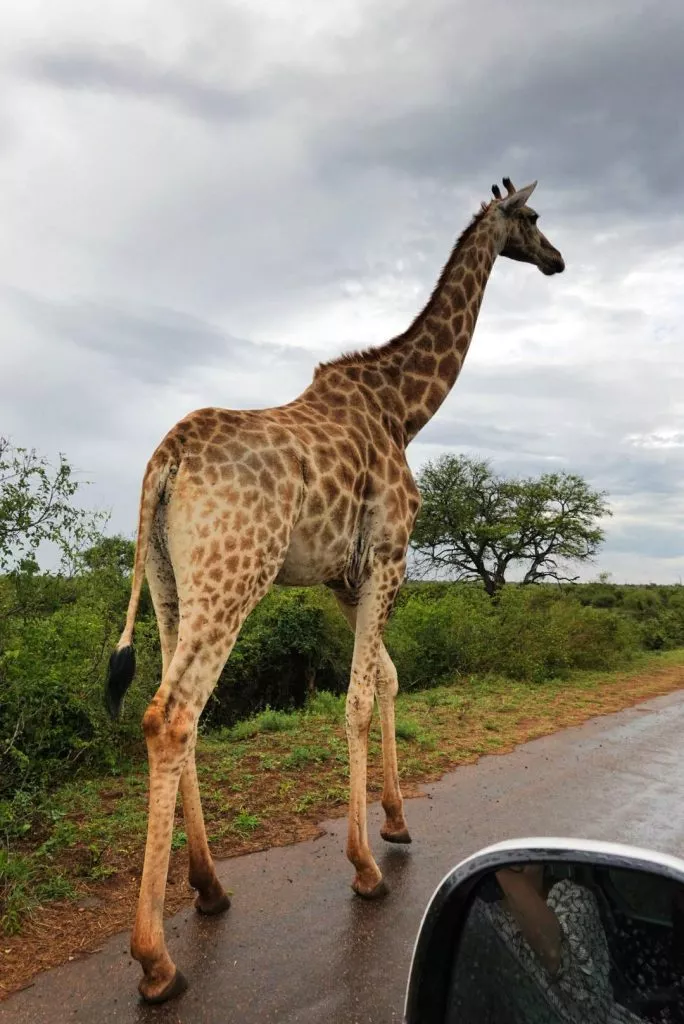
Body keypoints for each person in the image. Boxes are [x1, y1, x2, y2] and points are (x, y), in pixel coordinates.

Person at [476, 864, 646, 1024]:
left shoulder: (574, 897)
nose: (519, 862)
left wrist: (504, 866)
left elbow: (552, 952)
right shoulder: (483, 918)